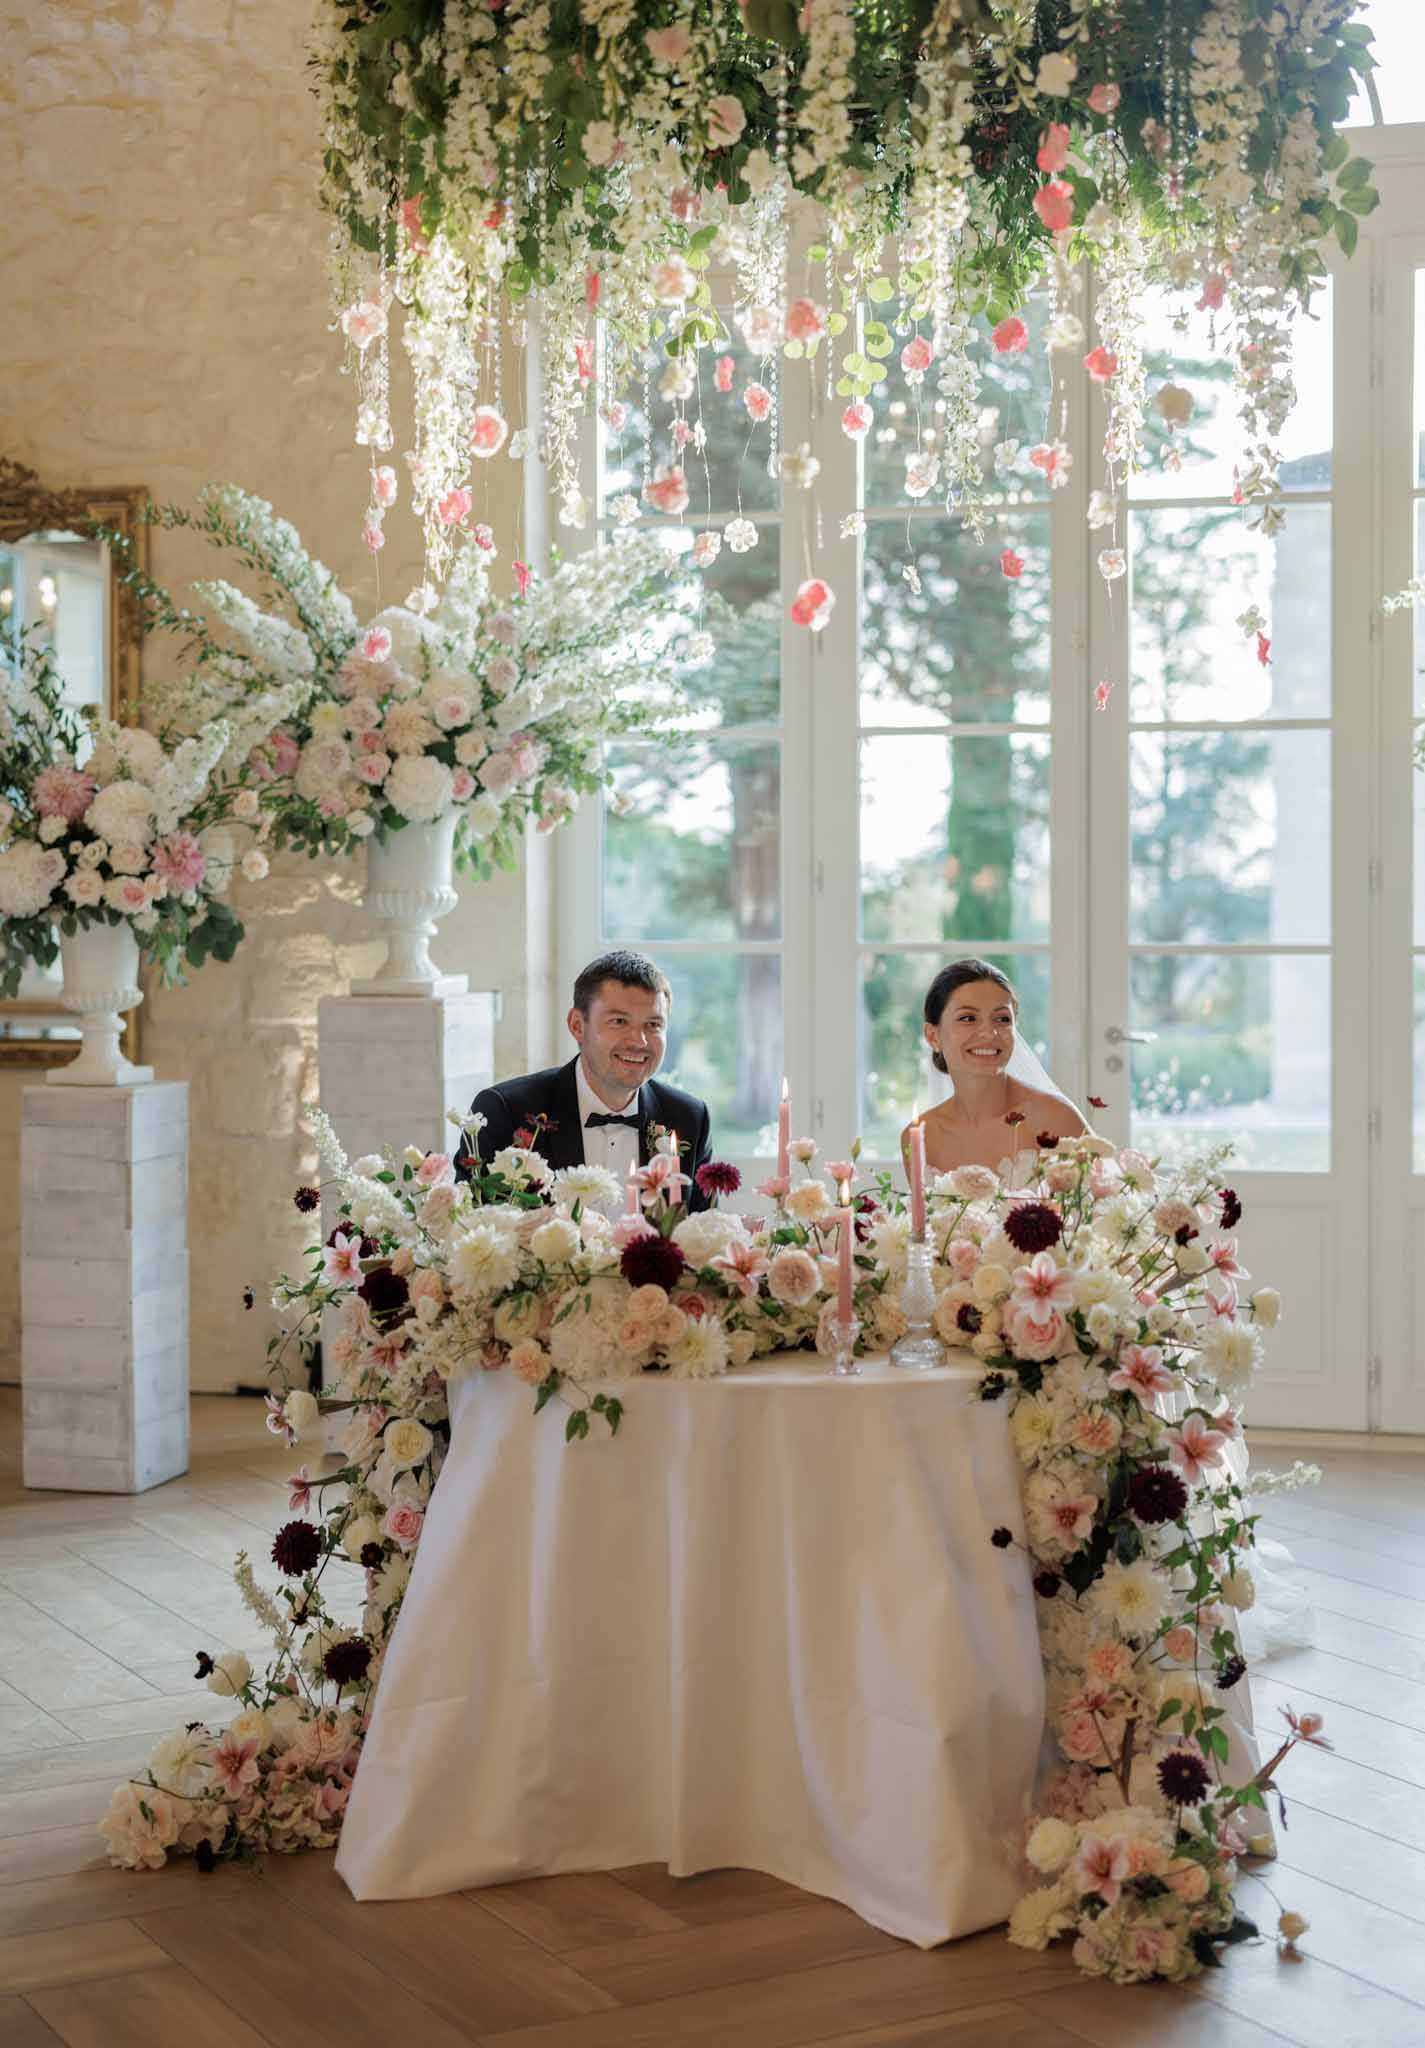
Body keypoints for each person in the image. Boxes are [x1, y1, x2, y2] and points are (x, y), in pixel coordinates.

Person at [455, 948, 713, 1208]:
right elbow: (469, 1227)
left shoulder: (689, 1118)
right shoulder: (506, 1112)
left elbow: (699, 1238)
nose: (639, 1041)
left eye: (653, 1025)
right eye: (619, 1021)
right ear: (577, 1025)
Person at [903, 956, 1087, 1177]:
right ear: (933, 1036)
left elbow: (1105, 1206)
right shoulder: (920, 1137)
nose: (989, 1033)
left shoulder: (1055, 1119)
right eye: (968, 1018)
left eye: (1002, 1019)